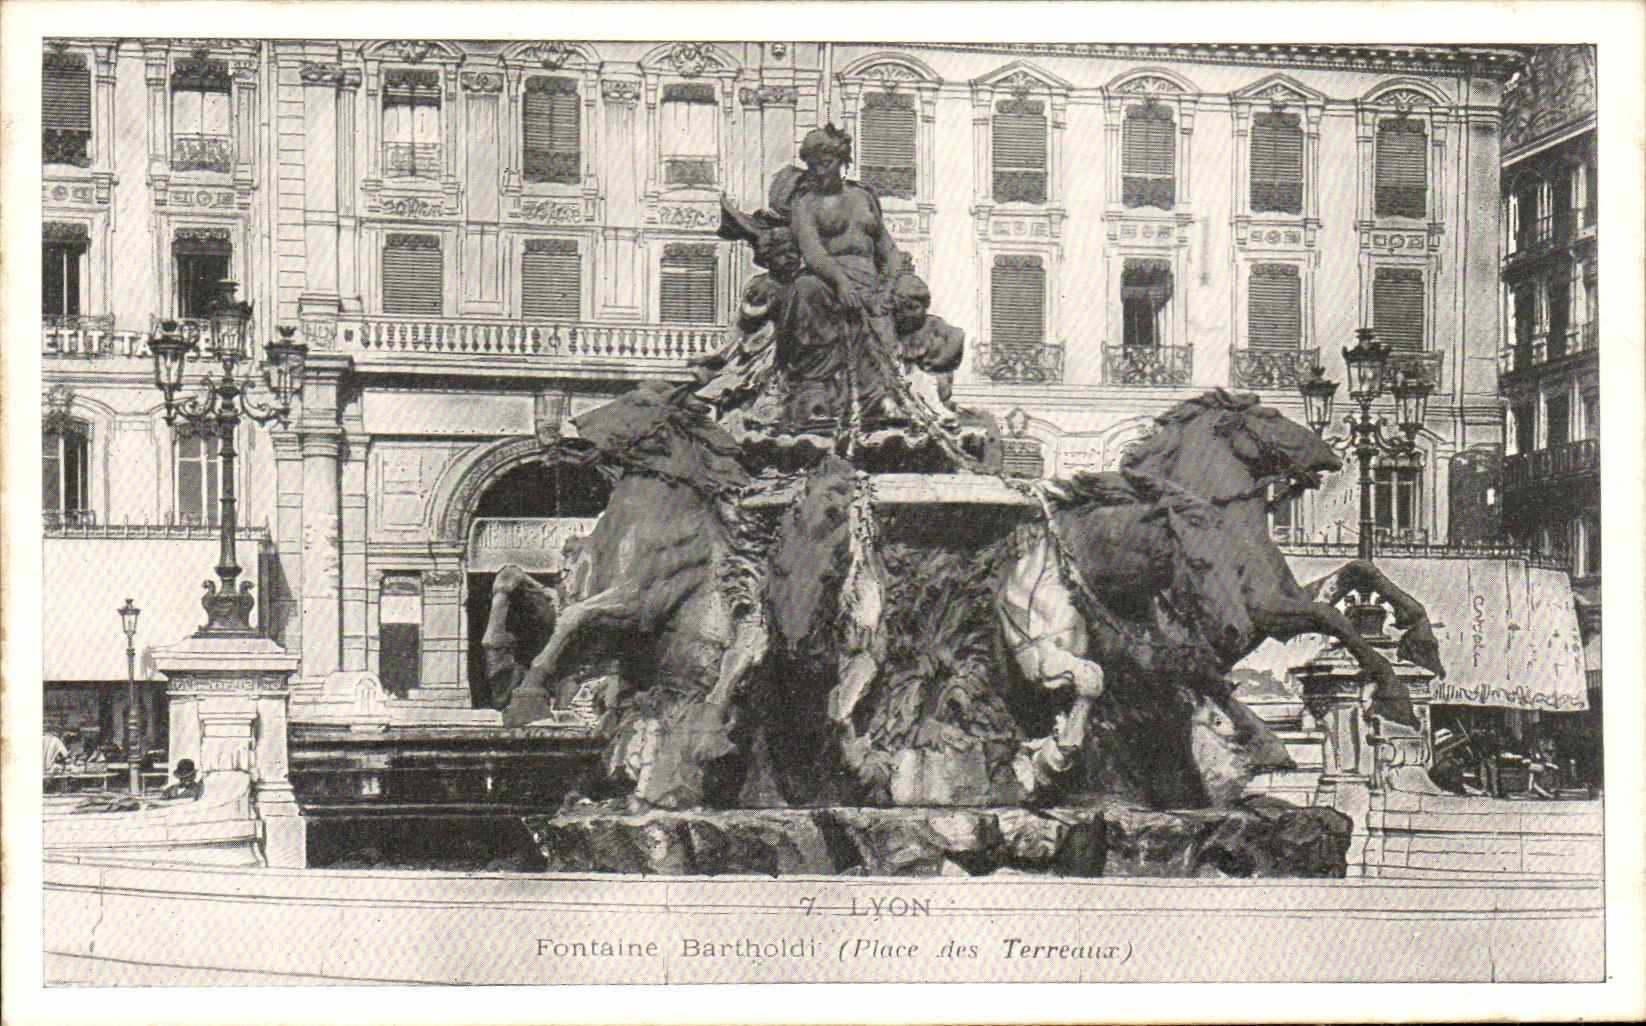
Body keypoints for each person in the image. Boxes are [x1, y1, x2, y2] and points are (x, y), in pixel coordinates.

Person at [776, 124, 905, 426]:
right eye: (814, 165)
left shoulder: (863, 197)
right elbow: (813, 251)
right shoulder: (805, 203)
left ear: (842, 161)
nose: (820, 172)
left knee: (879, 328)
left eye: (826, 163)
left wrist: (886, 288)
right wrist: (841, 282)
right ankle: (813, 385)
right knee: (806, 287)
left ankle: (880, 398)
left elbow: (888, 249)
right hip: (828, 280)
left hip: (868, 282)